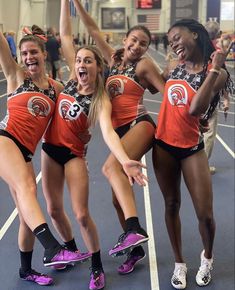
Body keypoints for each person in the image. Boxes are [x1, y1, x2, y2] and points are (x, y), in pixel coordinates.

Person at [41, 1, 149, 289]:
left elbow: (109, 133)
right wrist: (66, 3)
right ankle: (70, 247)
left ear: (98, 67)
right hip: (49, 152)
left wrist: (124, 158)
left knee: (81, 214)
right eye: (78, 61)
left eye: (88, 60)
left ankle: (96, 266)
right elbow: (66, 36)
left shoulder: (101, 100)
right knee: (52, 210)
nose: (81, 64)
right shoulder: (69, 82)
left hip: (74, 155)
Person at [72, 0, 165, 275]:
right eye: (134, 40)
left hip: (140, 124)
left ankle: (135, 230)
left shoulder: (144, 65)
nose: (137, 47)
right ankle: (135, 249)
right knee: (116, 199)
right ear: (125, 40)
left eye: (143, 44)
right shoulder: (112, 58)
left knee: (111, 167)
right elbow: (91, 27)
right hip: (121, 132)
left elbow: (167, 92)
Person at [0, 25, 93, 286]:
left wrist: (83, 138)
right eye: (24, 53)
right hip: (4, 140)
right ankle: (52, 248)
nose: (29, 57)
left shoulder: (57, 88)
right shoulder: (16, 75)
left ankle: (26, 270)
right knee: (27, 187)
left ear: (44, 54)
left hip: (26, 153)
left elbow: (73, 110)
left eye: (33, 52)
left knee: (25, 215)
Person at [152, 19, 231, 289]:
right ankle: (179, 263)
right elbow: (153, 84)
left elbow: (196, 109)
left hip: (191, 149)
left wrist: (217, 66)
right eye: (170, 40)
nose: (173, 44)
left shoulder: (216, 73)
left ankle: (207, 258)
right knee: (171, 205)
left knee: (205, 215)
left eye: (177, 37)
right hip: (163, 146)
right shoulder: (175, 66)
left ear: (195, 35)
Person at [203, 20, 230, 174]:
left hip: (193, 96)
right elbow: (223, 76)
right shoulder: (218, 52)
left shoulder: (197, 48)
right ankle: (202, 167)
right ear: (218, 34)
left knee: (194, 130)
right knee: (209, 133)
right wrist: (226, 99)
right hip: (210, 98)